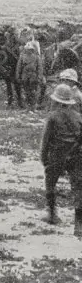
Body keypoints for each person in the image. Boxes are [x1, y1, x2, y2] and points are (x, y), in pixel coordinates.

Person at [40, 84, 82, 232]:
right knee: (78, 188)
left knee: (50, 183)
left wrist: (44, 158)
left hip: (56, 156)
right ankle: (78, 224)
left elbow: (45, 141)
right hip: (75, 156)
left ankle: (52, 215)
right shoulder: (78, 117)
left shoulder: (52, 117)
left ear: (56, 101)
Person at [16, 42, 44, 110]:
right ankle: (27, 106)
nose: (29, 50)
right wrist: (18, 76)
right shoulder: (22, 57)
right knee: (26, 92)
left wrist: (39, 77)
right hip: (25, 76)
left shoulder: (37, 57)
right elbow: (19, 67)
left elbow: (40, 68)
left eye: (30, 49)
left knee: (33, 92)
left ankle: (33, 106)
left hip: (34, 77)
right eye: (28, 49)